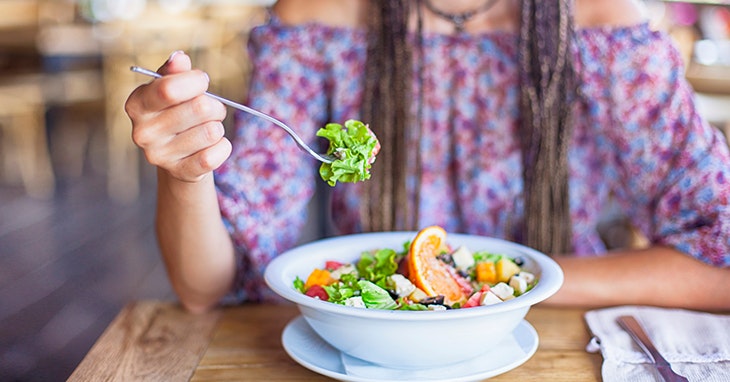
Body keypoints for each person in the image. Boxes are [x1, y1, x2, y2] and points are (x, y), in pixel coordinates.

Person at [124, 0, 730, 314]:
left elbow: (720, 255)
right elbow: (208, 290)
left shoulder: (603, 23)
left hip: (554, 340)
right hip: (370, 346)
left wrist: (498, 290)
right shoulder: (316, 19)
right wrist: (186, 173)